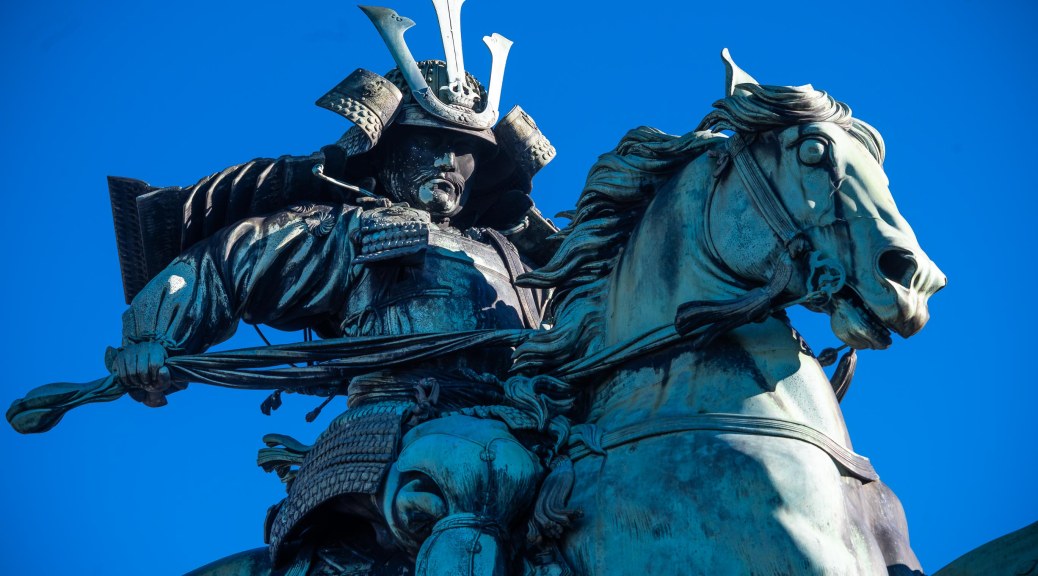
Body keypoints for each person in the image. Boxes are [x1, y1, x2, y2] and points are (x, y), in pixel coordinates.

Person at [103, 4, 559, 574]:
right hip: (399, 434)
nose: (448, 160)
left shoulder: (520, 261)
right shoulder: (356, 229)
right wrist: (154, 336)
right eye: (428, 143)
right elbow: (224, 264)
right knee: (477, 474)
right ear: (386, 152)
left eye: (465, 151)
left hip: (523, 429)